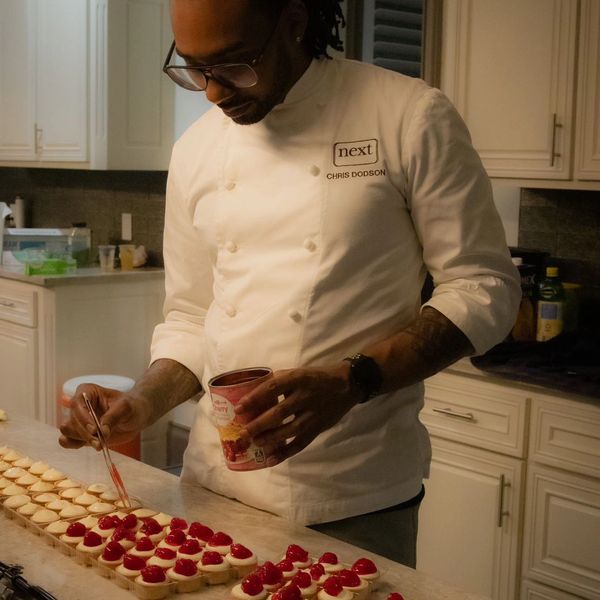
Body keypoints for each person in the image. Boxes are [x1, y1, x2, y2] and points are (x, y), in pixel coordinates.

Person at [59, 0, 521, 567]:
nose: (212, 91)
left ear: (295, 23)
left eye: (233, 64)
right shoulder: (197, 149)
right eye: (195, 68)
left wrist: (355, 381)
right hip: (212, 486)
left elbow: (483, 287)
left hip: (353, 497)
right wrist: (142, 400)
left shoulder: (408, 116)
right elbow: (190, 316)